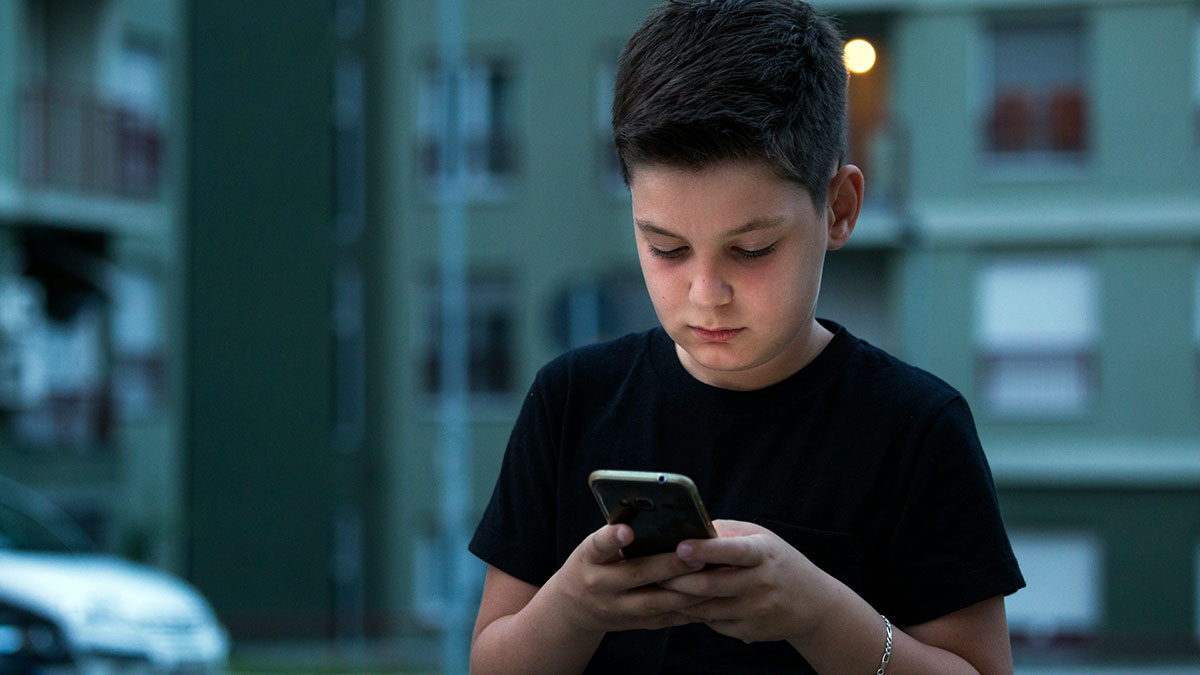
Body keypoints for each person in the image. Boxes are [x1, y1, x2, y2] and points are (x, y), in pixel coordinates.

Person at [468, 0, 1025, 672]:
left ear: (839, 209)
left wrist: (820, 614)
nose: (706, 292)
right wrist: (574, 606)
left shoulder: (916, 429)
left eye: (753, 248)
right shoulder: (570, 401)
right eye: (667, 248)